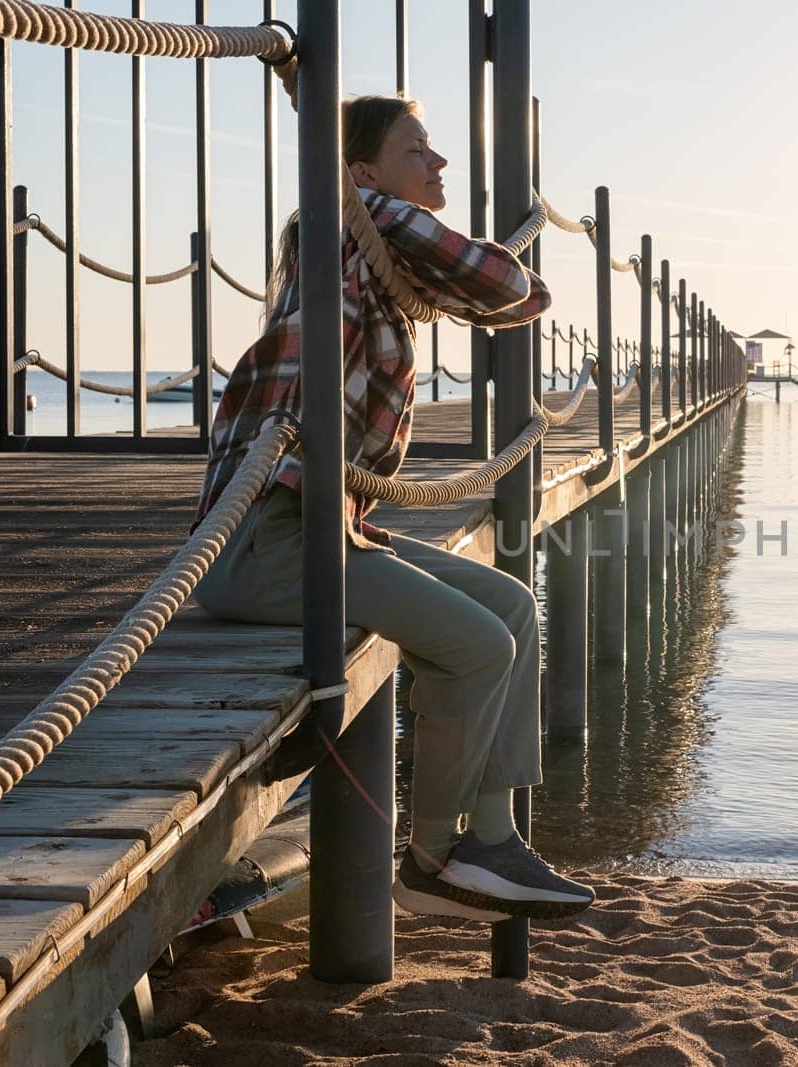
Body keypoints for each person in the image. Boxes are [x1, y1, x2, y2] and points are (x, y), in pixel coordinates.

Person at [193, 95, 593, 924]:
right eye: (420, 148)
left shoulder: (371, 260)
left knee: (513, 604)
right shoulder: (354, 219)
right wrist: (487, 272)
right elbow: (508, 285)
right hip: (264, 544)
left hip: (321, 530)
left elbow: (509, 301)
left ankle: (490, 837)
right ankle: (431, 856)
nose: (440, 163)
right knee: (478, 646)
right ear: (364, 172)